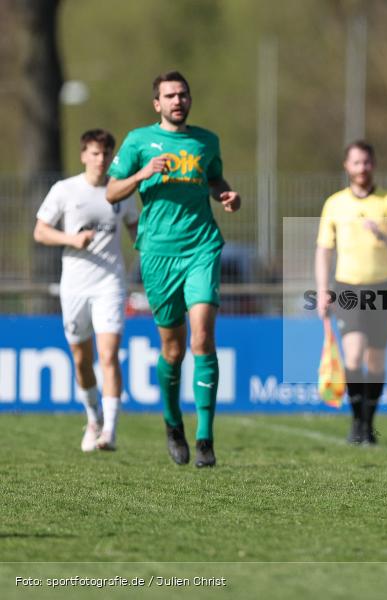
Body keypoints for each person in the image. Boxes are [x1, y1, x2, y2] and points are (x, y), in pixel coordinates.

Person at [106, 71, 242, 468]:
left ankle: (204, 438)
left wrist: (225, 195)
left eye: (183, 94)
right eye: (169, 96)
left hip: (201, 246)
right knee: (172, 348)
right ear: (157, 104)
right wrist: (141, 174)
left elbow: (214, 177)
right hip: (157, 254)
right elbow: (112, 191)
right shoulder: (138, 141)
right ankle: (172, 424)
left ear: (189, 99)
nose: (177, 100)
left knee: (202, 337)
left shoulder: (206, 141)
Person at [34, 129, 139, 452]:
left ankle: (109, 430)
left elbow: (136, 228)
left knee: (109, 356)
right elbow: (40, 231)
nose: (101, 159)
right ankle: (93, 417)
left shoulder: (119, 192)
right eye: (94, 153)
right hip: (75, 285)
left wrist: (150, 254)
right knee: (82, 359)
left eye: (106, 154)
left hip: (110, 283)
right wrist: (71, 240)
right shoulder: (65, 190)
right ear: (83, 156)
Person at [315, 140, 387, 445]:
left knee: (376, 362)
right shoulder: (334, 203)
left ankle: (368, 426)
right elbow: (323, 250)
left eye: (367, 162)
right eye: (356, 163)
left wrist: (384, 235)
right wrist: (322, 290)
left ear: (374, 164)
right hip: (347, 288)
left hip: (382, 288)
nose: (362, 168)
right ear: (347, 166)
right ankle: (356, 421)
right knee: (354, 355)